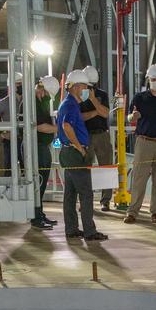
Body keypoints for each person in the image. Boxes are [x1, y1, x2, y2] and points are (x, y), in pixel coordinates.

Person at [57, 69, 108, 242]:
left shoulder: (68, 104)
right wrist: (80, 148)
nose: (87, 89)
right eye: (85, 86)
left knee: (70, 195)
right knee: (86, 194)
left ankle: (71, 229)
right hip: (75, 153)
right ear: (76, 86)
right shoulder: (71, 105)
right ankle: (89, 231)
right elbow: (67, 126)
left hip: (68, 153)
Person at [124, 63, 156, 224]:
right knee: (139, 179)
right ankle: (133, 211)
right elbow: (129, 117)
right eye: (154, 79)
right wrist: (133, 117)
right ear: (148, 80)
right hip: (144, 142)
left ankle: (155, 212)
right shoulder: (139, 98)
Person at [80, 65, 114, 211]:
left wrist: (94, 100)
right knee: (84, 169)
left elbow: (106, 113)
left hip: (101, 134)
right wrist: (96, 111)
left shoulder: (102, 95)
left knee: (106, 167)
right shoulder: (79, 96)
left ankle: (105, 201)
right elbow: (80, 117)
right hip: (85, 135)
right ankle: (85, 201)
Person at [33, 75, 59, 230]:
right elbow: (39, 126)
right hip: (37, 147)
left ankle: (39, 213)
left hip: (42, 146)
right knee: (38, 183)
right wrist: (60, 129)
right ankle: (36, 217)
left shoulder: (40, 102)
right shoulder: (33, 104)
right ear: (42, 90)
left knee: (40, 183)